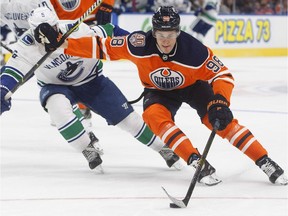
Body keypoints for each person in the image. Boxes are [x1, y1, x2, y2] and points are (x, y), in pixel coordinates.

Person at [49, 6, 287, 185]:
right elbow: (101, 47)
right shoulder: (138, 43)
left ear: (178, 31)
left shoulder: (194, 51)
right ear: (153, 31)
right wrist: (62, 44)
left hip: (194, 86)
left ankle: (264, 160)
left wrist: (220, 100)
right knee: (153, 116)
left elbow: (223, 75)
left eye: (170, 34)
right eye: (160, 34)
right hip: (158, 91)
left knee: (219, 122)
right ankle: (195, 160)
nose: (165, 40)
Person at [0, 7, 186, 174]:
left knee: (130, 121)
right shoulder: (27, 45)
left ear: (56, 25)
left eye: (50, 29)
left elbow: (111, 31)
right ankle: (87, 148)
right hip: (54, 86)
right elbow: (13, 70)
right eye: (39, 31)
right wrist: (2, 90)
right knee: (57, 109)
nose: (45, 36)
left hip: (92, 81)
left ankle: (163, 148)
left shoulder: (77, 30)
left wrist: (142, 47)